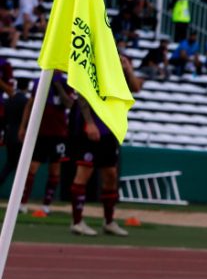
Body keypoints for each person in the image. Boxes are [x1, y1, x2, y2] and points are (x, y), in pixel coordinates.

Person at [66, 55, 142, 236]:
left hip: (109, 128)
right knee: (84, 173)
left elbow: (136, 88)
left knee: (110, 174)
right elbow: (82, 96)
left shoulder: (117, 71)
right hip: (90, 128)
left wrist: (128, 69)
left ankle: (109, 221)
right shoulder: (93, 66)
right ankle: (77, 221)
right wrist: (89, 123)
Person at [18, 73, 72, 216]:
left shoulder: (66, 82)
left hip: (58, 134)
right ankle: (22, 203)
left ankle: (46, 204)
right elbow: (30, 105)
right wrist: (23, 127)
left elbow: (69, 103)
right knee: (31, 168)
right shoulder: (39, 81)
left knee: (55, 170)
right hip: (39, 132)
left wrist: (58, 86)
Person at [0, 76, 28, 189]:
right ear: (26, 87)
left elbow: (3, 119)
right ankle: (19, 193)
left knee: (10, 164)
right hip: (20, 136)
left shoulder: (9, 100)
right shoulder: (26, 102)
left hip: (9, 135)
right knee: (19, 165)